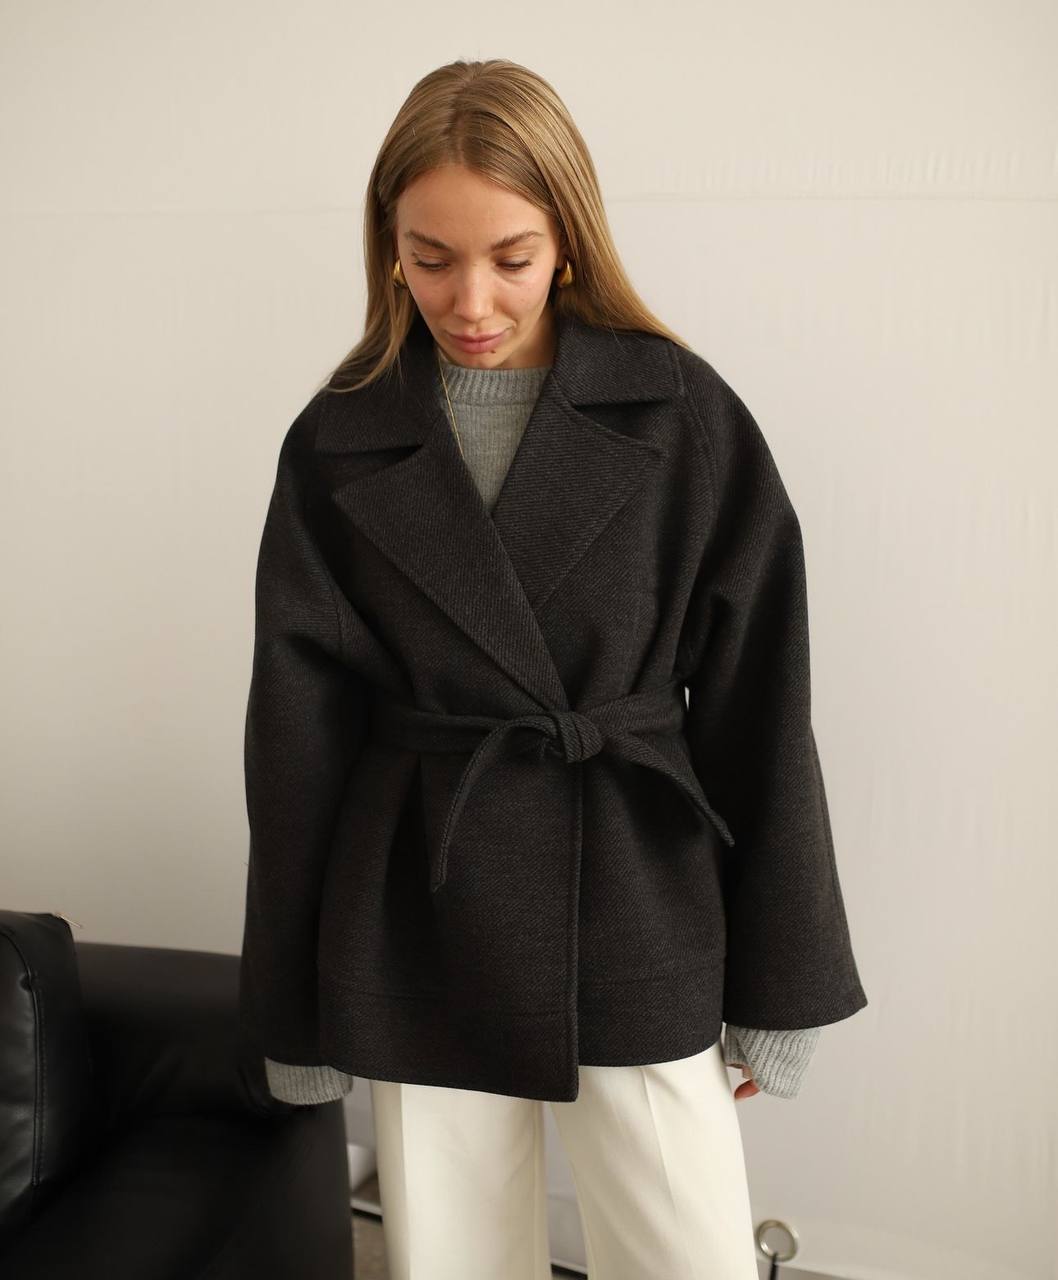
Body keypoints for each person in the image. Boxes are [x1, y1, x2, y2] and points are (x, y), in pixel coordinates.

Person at [237, 58, 868, 1280]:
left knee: (686, 1251)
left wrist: (778, 984)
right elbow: (294, 742)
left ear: (568, 237)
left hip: (635, 881)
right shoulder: (338, 436)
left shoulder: (680, 413)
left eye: (510, 256)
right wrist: (293, 1005)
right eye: (429, 257)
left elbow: (759, 707)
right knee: (450, 1256)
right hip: (420, 893)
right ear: (387, 246)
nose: (469, 298)